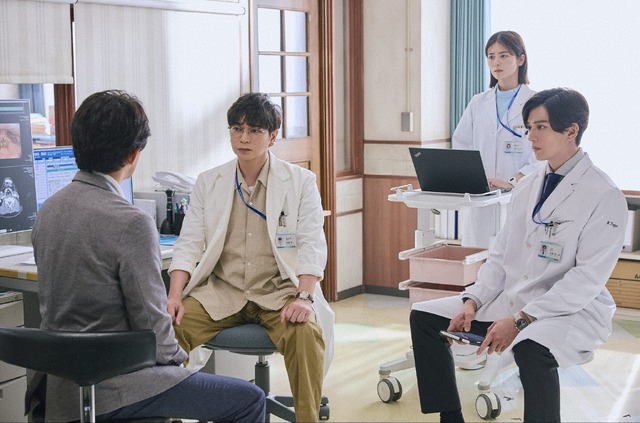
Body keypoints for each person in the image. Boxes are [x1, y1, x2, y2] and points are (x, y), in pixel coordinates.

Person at [29, 90, 265, 422]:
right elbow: (153, 325)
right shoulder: (131, 222)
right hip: (116, 385)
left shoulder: (48, 211)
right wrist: (179, 364)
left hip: (58, 388)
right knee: (250, 399)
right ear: (133, 154)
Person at [409, 88, 628, 422]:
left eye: (540, 127)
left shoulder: (604, 194)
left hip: (570, 311)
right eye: (529, 127)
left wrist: (521, 319)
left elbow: (586, 280)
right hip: (510, 301)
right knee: (423, 317)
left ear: (571, 130)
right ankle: (450, 417)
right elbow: (499, 257)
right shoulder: (527, 187)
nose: (530, 137)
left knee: (531, 348)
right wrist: (472, 301)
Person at [167, 92, 335, 423]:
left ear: (273, 136)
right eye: (237, 129)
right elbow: (189, 243)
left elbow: (312, 242)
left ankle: (307, 418)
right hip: (222, 291)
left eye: (255, 130)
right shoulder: (209, 182)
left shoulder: (300, 182)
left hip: (279, 293)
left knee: (305, 334)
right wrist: (174, 295)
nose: (244, 138)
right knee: (169, 328)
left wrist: (304, 297)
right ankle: (169, 416)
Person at [453, 30, 542, 248]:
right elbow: (461, 144)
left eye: (504, 55)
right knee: (477, 259)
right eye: (491, 56)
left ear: (520, 59)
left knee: (514, 257)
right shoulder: (478, 102)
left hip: (518, 197)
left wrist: (513, 182)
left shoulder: (536, 102)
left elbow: (543, 154)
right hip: (481, 197)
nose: (496, 62)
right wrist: (473, 177)